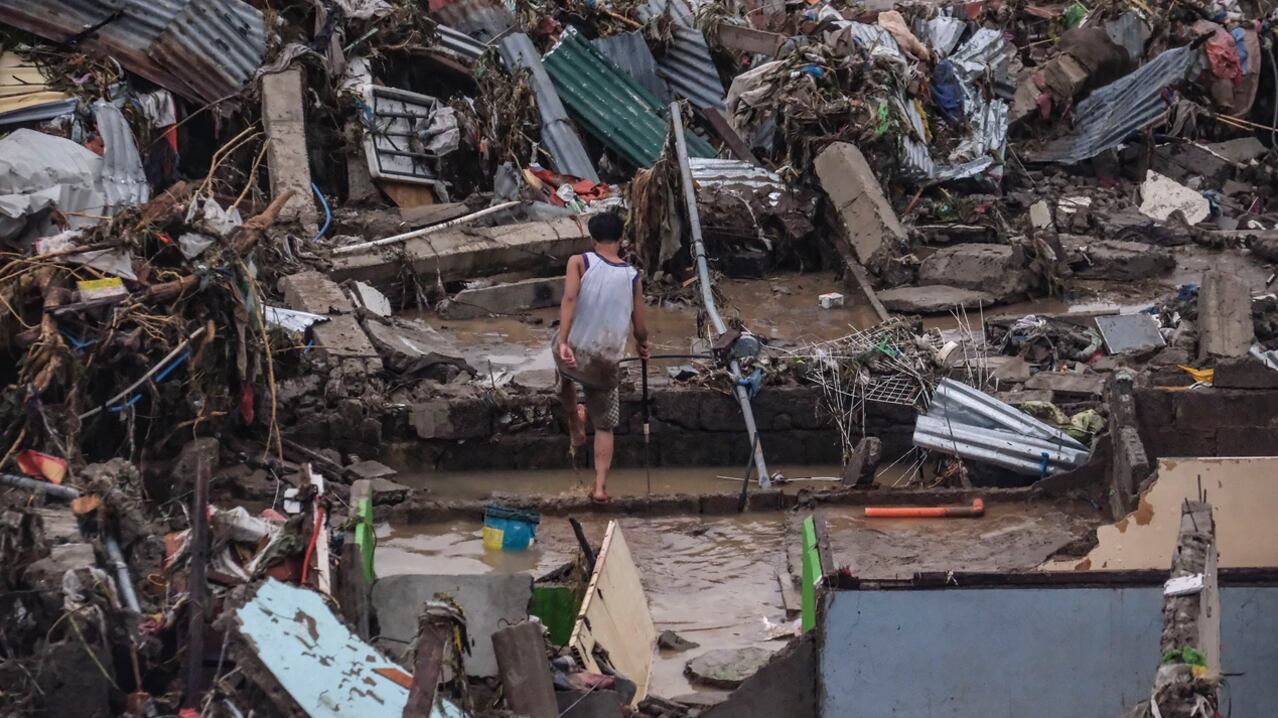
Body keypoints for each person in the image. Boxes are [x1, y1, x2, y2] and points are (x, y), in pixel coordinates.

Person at [553, 212, 650, 503]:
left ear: (592, 239)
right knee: (605, 425)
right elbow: (640, 324)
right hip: (605, 362)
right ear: (621, 240)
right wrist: (643, 344)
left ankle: (574, 422)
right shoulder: (632, 276)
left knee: (564, 378)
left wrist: (564, 340)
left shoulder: (579, 262)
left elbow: (569, 299)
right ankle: (599, 488)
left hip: (575, 353)